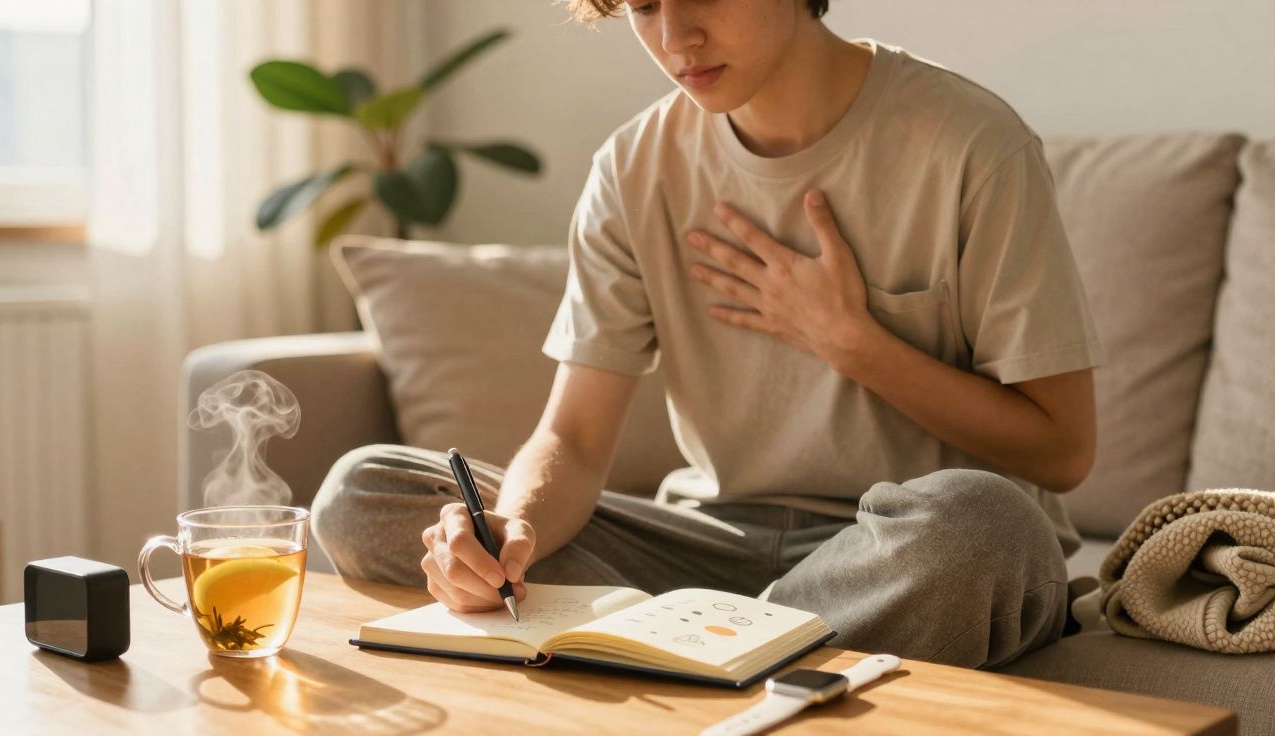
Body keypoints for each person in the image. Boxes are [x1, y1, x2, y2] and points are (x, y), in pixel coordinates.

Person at [311, 0, 1104, 669]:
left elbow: (1060, 451)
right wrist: (510, 533)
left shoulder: (973, 144)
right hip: (715, 544)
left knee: (986, 529)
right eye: (645, 5)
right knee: (362, 490)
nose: (674, 38)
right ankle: (746, 652)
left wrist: (853, 343)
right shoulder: (632, 167)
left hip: (902, 555)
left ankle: (691, 652)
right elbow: (577, 437)